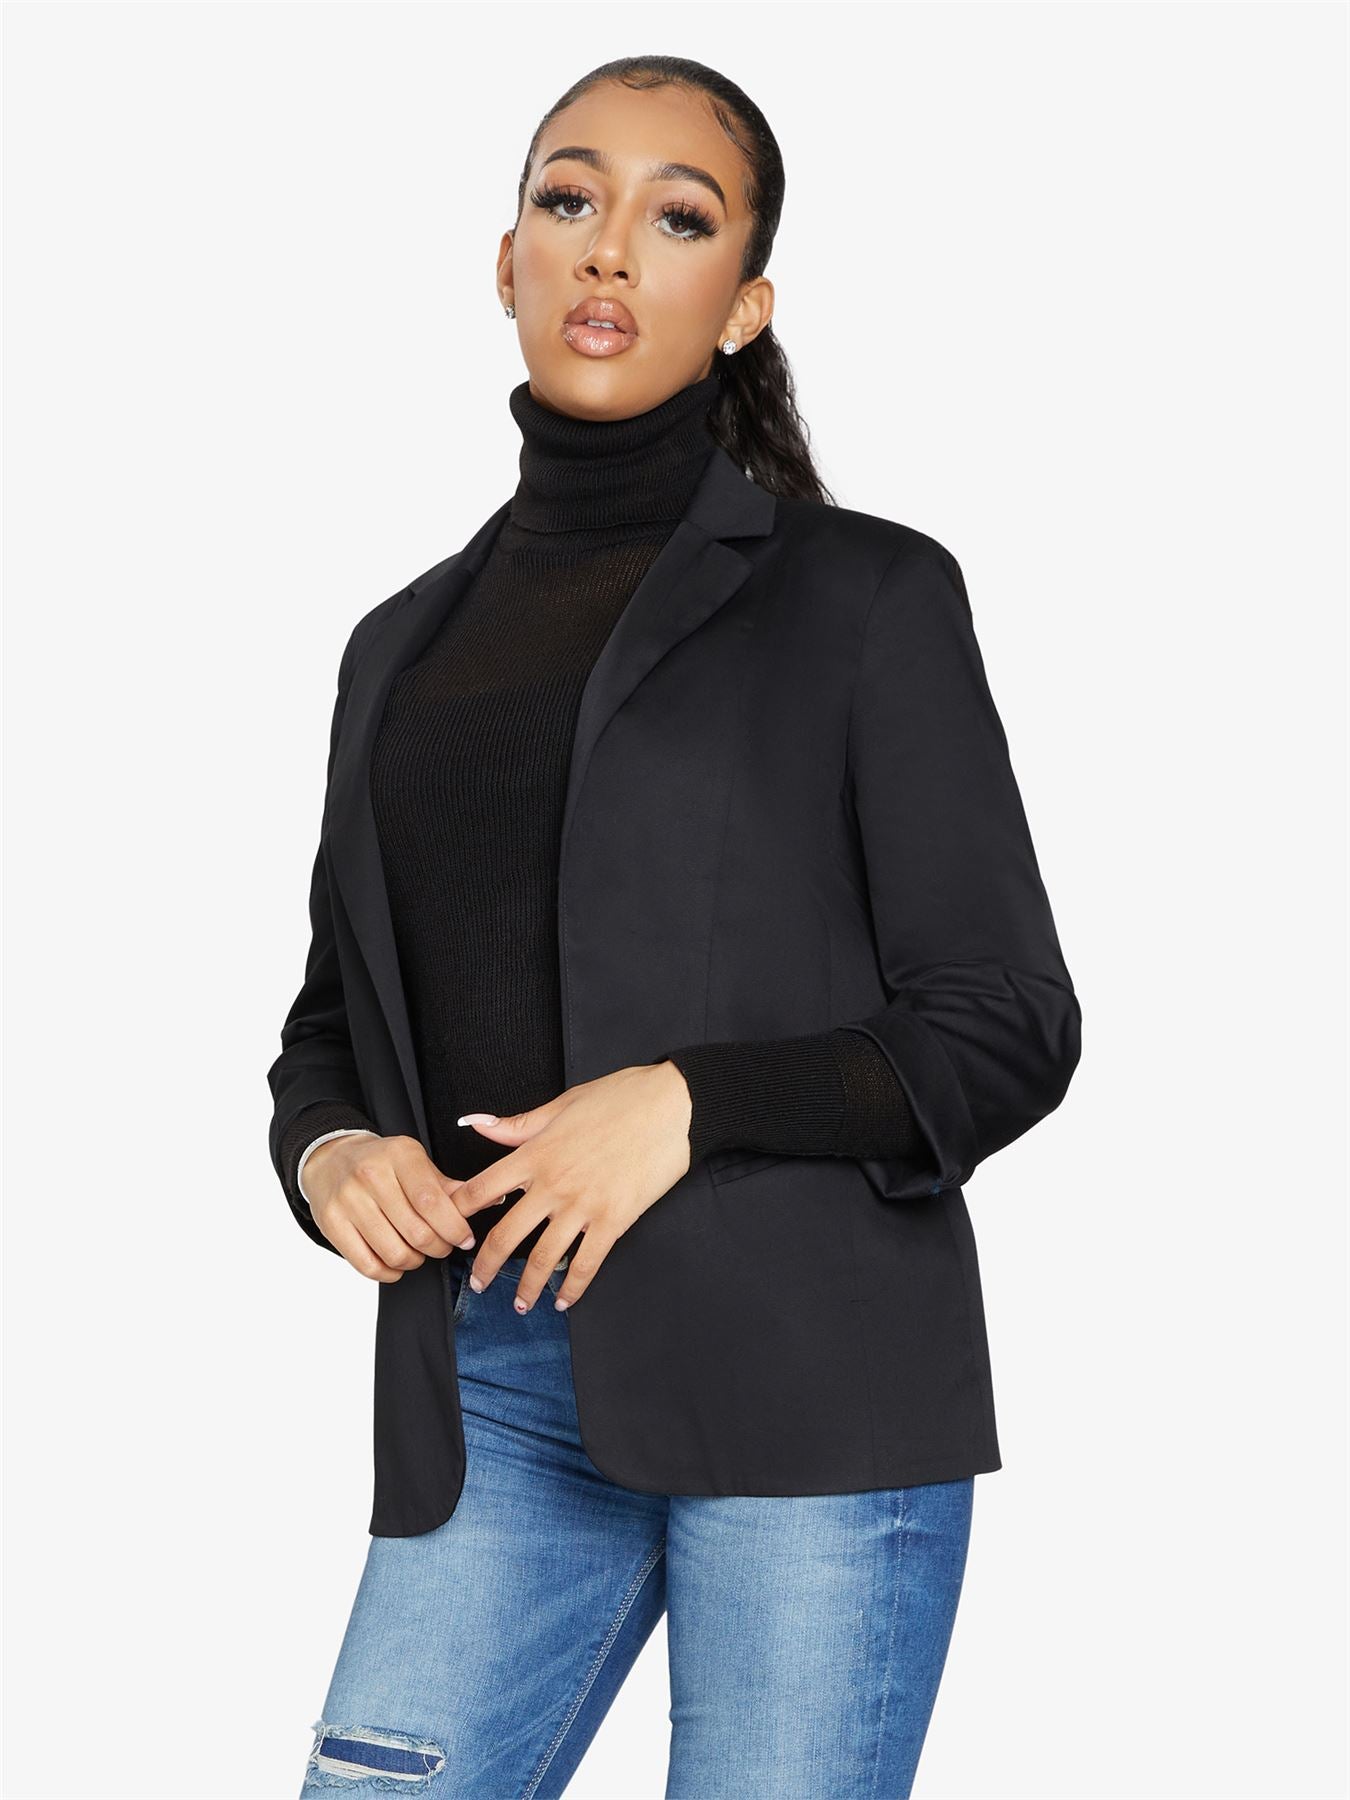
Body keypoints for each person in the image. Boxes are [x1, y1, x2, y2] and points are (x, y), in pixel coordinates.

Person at [273, 55, 1081, 1800]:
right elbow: (335, 1019)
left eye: (679, 217)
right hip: (494, 1384)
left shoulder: (867, 597)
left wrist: (688, 1103)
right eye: (568, 200)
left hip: (808, 1394)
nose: (608, 249)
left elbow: (1004, 1020)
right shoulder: (397, 647)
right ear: (503, 259)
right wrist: (331, 1151)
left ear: (744, 306)